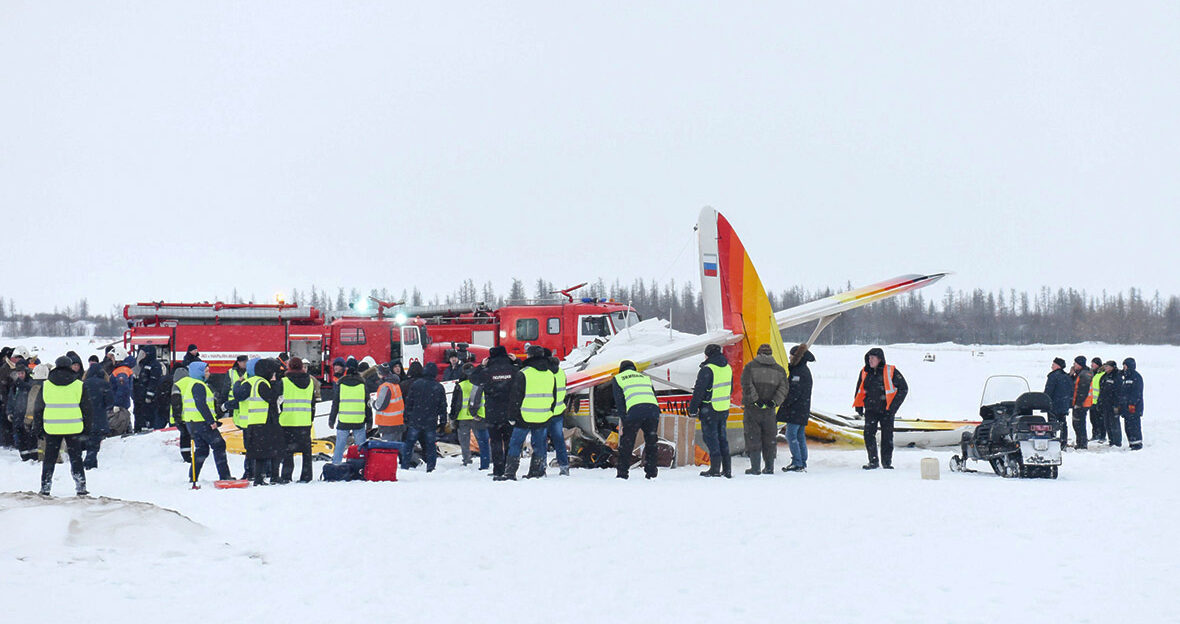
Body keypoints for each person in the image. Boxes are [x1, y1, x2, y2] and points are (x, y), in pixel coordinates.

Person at [34, 356, 92, 496]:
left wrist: (39, 428)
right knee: (76, 459)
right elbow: (87, 409)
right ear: (70, 366)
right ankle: (81, 486)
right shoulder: (79, 385)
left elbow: (38, 409)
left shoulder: (46, 385)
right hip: (74, 428)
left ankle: (45, 486)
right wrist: (87, 429)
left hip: (52, 428)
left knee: (49, 459)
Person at [499, 346, 555, 480]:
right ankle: (536, 471)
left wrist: (512, 416)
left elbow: (516, 397)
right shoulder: (550, 374)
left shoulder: (524, 373)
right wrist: (550, 412)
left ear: (529, 356)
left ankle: (510, 473)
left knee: (515, 444)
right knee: (540, 445)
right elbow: (554, 396)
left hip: (524, 417)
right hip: (543, 416)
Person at [174, 361, 232, 485]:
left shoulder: (191, 385)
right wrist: (211, 421)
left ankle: (193, 476)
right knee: (219, 445)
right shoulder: (198, 385)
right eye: (206, 371)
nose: (208, 373)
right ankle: (225, 476)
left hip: (192, 423)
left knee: (202, 450)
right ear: (199, 373)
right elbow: (201, 404)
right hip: (202, 422)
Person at [853, 347, 908, 470]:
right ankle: (873, 461)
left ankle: (887, 463)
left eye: (873, 358)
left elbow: (904, 388)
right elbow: (859, 388)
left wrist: (893, 407)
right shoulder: (865, 371)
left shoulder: (891, 371)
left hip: (887, 410)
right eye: (869, 358)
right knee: (868, 435)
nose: (870, 360)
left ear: (880, 359)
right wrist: (858, 405)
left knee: (887, 437)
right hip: (871, 410)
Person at [740, 343, 789, 475]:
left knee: (753, 437)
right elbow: (784, 388)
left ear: (758, 353)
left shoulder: (750, 367)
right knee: (769, 439)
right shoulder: (779, 370)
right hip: (770, 412)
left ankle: (755, 467)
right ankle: (769, 467)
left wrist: (756, 400)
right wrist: (773, 402)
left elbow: (746, 385)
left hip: (752, 410)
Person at [689, 344, 733, 478]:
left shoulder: (708, 369)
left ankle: (714, 469)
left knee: (710, 438)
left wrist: (692, 408)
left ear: (707, 354)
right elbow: (730, 388)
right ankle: (727, 469)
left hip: (710, 408)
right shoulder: (727, 367)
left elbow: (699, 391)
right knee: (722, 438)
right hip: (724, 407)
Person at [612, 360, 660, 479]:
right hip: (652, 410)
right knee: (651, 442)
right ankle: (651, 472)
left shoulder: (618, 378)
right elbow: (653, 394)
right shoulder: (644, 377)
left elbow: (619, 401)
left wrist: (624, 419)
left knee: (627, 443)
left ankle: (622, 473)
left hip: (634, 411)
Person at [475, 347, 518, 478]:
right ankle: (508, 469)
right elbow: (524, 372)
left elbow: (473, 379)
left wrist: (481, 366)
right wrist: (517, 362)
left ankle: (498, 470)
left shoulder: (487, 371)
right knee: (509, 442)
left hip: (492, 413)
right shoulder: (513, 370)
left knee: (496, 442)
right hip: (510, 413)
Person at [242, 358, 284, 485]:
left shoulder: (255, 382)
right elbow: (272, 398)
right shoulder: (262, 384)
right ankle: (272, 477)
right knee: (273, 449)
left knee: (260, 452)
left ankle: (259, 478)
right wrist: (275, 383)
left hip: (256, 421)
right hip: (265, 421)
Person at [277, 357, 315, 483]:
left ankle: (287, 476)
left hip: (288, 421)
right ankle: (307, 476)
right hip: (304, 422)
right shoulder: (310, 382)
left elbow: (277, 401)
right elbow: (312, 403)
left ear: (289, 367)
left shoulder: (284, 382)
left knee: (288, 452)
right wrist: (310, 419)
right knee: (306, 453)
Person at [404, 362, 447, 472]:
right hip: (430, 421)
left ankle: (405, 465)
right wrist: (443, 422)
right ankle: (431, 466)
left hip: (415, 420)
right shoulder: (439, 387)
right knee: (430, 445)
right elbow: (443, 406)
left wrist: (407, 416)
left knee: (409, 444)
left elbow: (409, 402)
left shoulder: (416, 384)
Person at [779, 345, 815, 472]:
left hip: (796, 409)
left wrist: (784, 402)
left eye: (791, 356)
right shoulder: (802, 370)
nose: (789, 358)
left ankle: (797, 461)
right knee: (799, 435)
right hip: (802, 409)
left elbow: (794, 392)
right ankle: (802, 461)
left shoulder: (799, 372)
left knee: (790, 434)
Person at [329, 358, 371, 464]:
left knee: (339, 446)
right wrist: (370, 421)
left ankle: (336, 466)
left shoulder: (341, 384)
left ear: (346, 368)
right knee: (361, 447)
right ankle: (362, 466)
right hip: (359, 421)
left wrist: (331, 419)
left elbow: (335, 404)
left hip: (344, 420)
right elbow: (368, 405)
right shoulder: (362, 384)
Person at [449, 363, 489, 468]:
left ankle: (467, 459)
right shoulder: (479, 384)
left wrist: (453, 416)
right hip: (477, 416)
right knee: (481, 439)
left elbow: (455, 402)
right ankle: (487, 458)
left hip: (463, 417)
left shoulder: (460, 385)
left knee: (464, 440)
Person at [540, 351, 571, 476]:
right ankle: (564, 466)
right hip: (558, 412)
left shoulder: (545, 374)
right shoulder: (561, 373)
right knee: (559, 441)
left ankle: (541, 467)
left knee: (541, 441)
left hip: (545, 412)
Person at [82, 361, 114, 469]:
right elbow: (110, 402)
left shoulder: (84, 384)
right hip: (99, 417)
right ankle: (90, 460)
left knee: (89, 439)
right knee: (96, 441)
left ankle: (89, 459)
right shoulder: (105, 384)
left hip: (86, 417)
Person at [5, 364, 38, 462]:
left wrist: (18, 382)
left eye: (22, 373)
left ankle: (33, 457)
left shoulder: (31, 383)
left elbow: (29, 389)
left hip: (28, 416)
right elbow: (10, 400)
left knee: (30, 438)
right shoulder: (14, 386)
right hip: (17, 416)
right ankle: (24, 457)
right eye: (18, 373)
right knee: (20, 440)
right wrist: (9, 412)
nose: (20, 375)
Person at [1044, 357, 1073, 448]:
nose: (1052, 366)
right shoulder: (1067, 377)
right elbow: (1070, 390)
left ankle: (1053, 441)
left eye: (1053, 364)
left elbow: (1049, 391)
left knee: (1052, 424)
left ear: (1058, 366)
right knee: (1063, 423)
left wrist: (1045, 401)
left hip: (1054, 404)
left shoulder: (1053, 376)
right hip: (1064, 404)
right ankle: (1063, 441)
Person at [372, 364, 406, 442]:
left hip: (388, 424)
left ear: (380, 373)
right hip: (398, 422)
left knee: (389, 450)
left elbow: (379, 405)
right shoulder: (395, 384)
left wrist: (372, 403)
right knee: (397, 448)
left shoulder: (385, 386)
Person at [133, 346, 162, 432]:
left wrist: (149, 395)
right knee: (140, 413)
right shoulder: (144, 364)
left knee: (148, 414)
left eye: (144, 353)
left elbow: (154, 381)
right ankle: (140, 428)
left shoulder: (155, 365)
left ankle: (148, 428)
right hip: (141, 395)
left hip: (149, 397)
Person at [1119, 358, 1144, 450]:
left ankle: (1137, 443)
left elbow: (1137, 393)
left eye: (1125, 365)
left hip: (1134, 407)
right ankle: (1131, 442)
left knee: (1134, 426)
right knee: (1128, 426)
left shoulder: (1136, 377)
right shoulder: (1126, 377)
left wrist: (1132, 403)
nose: (1124, 367)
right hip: (1126, 406)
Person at [169, 365, 193, 463]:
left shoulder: (177, 385)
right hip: (193, 416)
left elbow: (176, 402)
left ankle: (186, 457)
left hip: (182, 417)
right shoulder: (193, 383)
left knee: (184, 437)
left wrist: (177, 418)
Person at [1095, 361, 1122, 447]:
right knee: (1107, 423)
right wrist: (1099, 402)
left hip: (1113, 404)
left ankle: (1117, 442)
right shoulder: (1104, 376)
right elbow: (1101, 390)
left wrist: (1116, 405)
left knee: (1114, 424)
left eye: (1107, 366)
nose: (1105, 368)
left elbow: (1118, 392)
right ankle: (1111, 441)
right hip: (1105, 404)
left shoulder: (1116, 376)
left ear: (1112, 367)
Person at [1069, 356, 1093, 449]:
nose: (1073, 365)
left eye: (1075, 363)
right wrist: (1071, 375)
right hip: (1079, 403)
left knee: (1079, 424)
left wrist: (1079, 404)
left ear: (1079, 364)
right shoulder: (1079, 373)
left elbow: (1083, 391)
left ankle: (1082, 443)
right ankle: (1080, 442)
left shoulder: (1085, 374)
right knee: (1077, 423)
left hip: (1082, 404)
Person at [108, 351, 134, 436]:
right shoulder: (123, 369)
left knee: (119, 425)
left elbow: (122, 388)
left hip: (120, 405)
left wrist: (117, 404)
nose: (112, 360)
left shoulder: (121, 371)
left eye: (113, 357)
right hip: (121, 404)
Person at [1088, 357, 1106, 442]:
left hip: (1099, 401)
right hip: (1092, 401)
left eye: (1093, 363)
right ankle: (1095, 435)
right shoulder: (1092, 374)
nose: (1092, 365)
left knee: (1100, 420)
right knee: (1093, 420)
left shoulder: (1102, 374)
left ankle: (1102, 436)